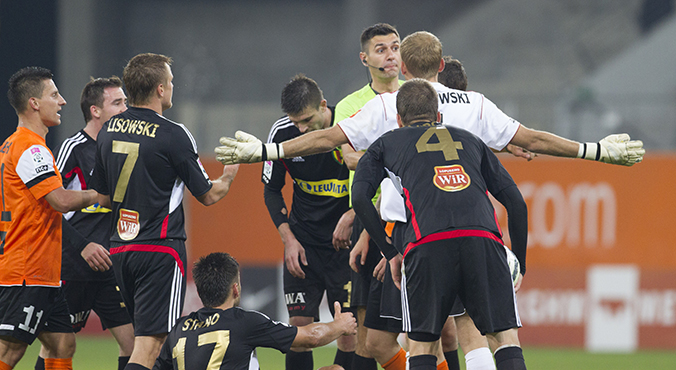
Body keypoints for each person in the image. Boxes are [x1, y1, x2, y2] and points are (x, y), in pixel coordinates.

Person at [351, 78, 530, 370]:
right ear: (438, 116)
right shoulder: (472, 141)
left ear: (398, 119)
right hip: (483, 238)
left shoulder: (385, 144)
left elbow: (359, 197)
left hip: (426, 242)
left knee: (422, 344)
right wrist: (520, 263)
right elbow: (517, 204)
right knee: (505, 338)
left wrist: (389, 252)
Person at [90, 53, 240, 370]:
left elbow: (102, 199)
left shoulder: (107, 131)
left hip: (120, 249)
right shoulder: (173, 134)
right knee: (152, 345)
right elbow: (209, 195)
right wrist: (229, 174)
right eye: (170, 81)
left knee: (147, 346)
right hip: (159, 252)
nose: (172, 86)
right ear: (160, 89)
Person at [0, 66, 99, 370]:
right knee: (10, 350)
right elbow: (61, 200)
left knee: (62, 343)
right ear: (33, 103)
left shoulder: (13, 145)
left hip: (42, 270)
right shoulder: (30, 148)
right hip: (27, 270)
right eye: (54, 95)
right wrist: (99, 195)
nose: (63, 101)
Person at [35, 77, 135, 370]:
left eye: (126, 102)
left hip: (110, 264)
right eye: (118, 103)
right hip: (73, 264)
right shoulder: (74, 148)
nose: (125, 108)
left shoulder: (123, 149)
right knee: (57, 345)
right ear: (95, 110)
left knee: (133, 341)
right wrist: (82, 246)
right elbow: (48, 206)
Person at [262, 74, 355, 370]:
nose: (301, 129)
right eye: (295, 122)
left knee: (348, 329)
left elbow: (375, 181)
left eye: (306, 120)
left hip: (347, 248)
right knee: (299, 328)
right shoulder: (281, 133)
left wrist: (353, 215)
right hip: (304, 244)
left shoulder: (350, 126)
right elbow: (271, 189)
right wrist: (288, 239)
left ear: (324, 106)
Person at [332, 23, 406, 370]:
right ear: (364, 58)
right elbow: (348, 157)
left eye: (395, 47)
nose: (390, 54)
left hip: (411, 215)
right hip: (371, 219)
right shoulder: (350, 105)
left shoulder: (418, 94)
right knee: (367, 327)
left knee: (445, 328)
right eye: (381, 49)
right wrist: (404, 157)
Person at [152, 252, 357, 370]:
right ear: (235, 289)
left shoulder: (179, 329)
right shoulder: (243, 321)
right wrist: (340, 325)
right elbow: (310, 337)